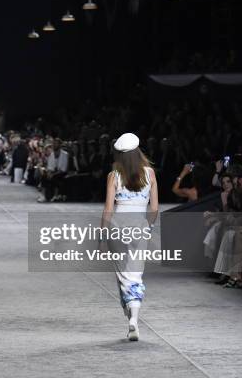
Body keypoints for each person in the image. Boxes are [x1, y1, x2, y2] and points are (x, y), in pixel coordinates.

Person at [102, 133, 158, 341]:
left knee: (122, 275)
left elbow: (108, 209)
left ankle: (130, 317)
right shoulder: (150, 174)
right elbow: (154, 209)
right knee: (135, 274)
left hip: (118, 227)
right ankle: (133, 317)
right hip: (139, 227)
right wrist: (148, 227)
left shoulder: (114, 175)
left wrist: (101, 234)